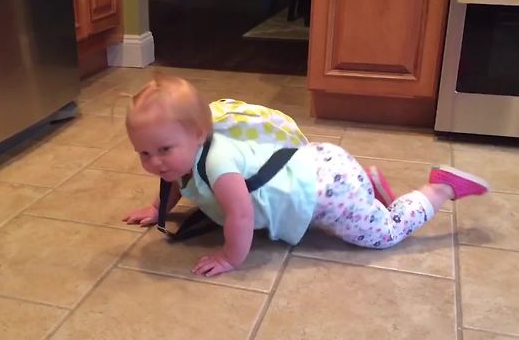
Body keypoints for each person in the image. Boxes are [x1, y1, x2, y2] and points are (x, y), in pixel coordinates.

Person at [122, 76, 489, 277]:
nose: (155, 162)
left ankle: (440, 187)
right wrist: (159, 209)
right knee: (365, 209)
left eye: (164, 150)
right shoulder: (182, 159)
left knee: (383, 235)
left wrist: (232, 257)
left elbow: (241, 214)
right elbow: (173, 183)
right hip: (318, 165)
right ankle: (370, 187)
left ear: (199, 134)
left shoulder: (218, 163)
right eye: (144, 153)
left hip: (327, 188)